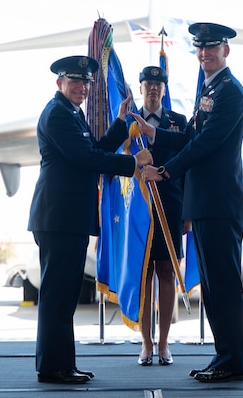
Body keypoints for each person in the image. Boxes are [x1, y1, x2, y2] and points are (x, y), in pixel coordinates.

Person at [133, 22, 243, 383]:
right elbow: (188, 136)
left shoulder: (230, 92)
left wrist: (165, 172)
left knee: (225, 286)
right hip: (205, 204)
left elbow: (205, 144)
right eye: (200, 49)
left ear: (225, 51)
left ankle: (233, 362)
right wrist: (155, 133)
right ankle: (224, 356)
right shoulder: (209, 90)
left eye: (212, 48)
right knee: (213, 288)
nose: (205, 54)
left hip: (219, 203)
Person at [27, 55, 153, 385]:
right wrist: (133, 164)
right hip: (59, 219)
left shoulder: (71, 113)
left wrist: (121, 122)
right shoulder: (57, 115)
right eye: (75, 81)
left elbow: (94, 147)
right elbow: (87, 158)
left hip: (68, 218)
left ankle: (60, 364)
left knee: (64, 295)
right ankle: (54, 367)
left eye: (86, 83)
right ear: (60, 83)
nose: (82, 87)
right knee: (57, 295)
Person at [134, 66, 188, 367]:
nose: (153, 89)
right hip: (141, 210)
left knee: (166, 272)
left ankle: (164, 343)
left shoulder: (178, 122)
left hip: (171, 205)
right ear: (140, 88)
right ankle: (145, 343)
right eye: (148, 84)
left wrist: (188, 210)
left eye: (158, 84)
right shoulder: (131, 124)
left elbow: (189, 163)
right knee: (144, 275)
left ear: (164, 90)